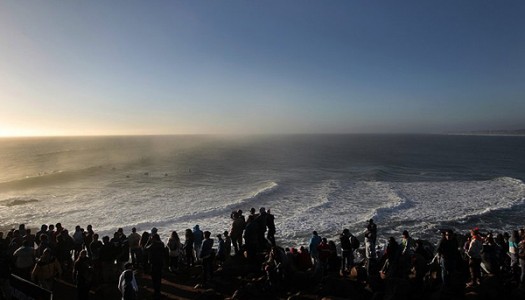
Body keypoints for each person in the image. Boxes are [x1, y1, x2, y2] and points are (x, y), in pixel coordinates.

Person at [147, 234, 164, 300]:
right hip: (160, 263)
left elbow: (145, 248)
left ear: (154, 238)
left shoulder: (153, 245)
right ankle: (158, 292)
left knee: (154, 278)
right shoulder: (162, 244)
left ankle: (156, 292)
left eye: (152, 238)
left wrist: (148, 241)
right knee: (159, 278)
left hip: (154, 263)